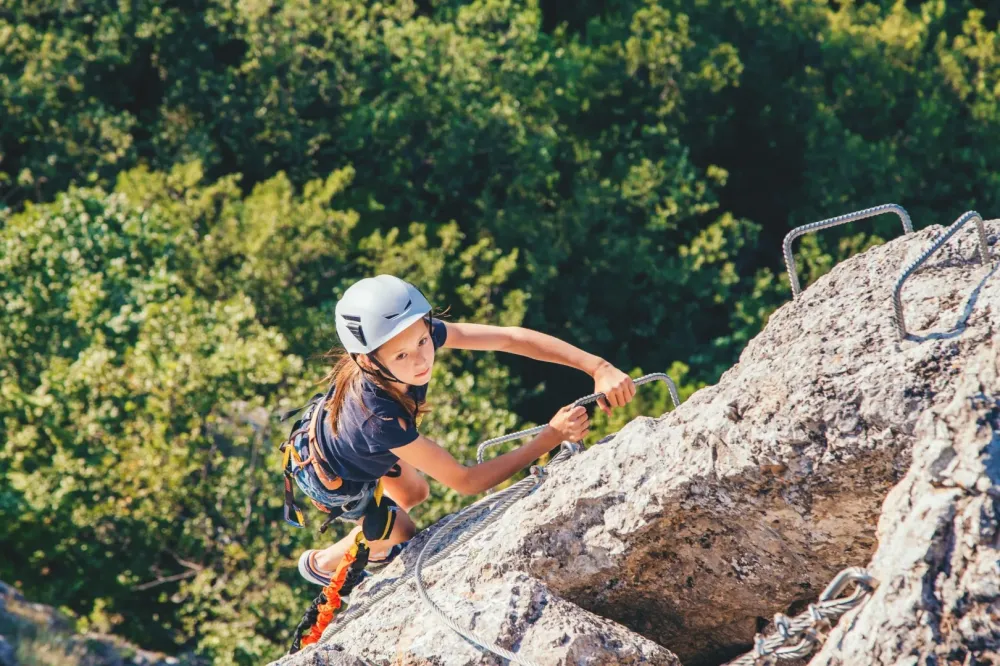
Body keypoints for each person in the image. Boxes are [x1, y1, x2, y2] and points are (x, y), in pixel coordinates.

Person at [287, 274, 636, 587]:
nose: (421, 361)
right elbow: (466, 481)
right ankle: (325, 563)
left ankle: (377, 531)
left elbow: (510, 339)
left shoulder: (403, 338)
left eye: (424, 342)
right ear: (367, 360)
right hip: (333, 476)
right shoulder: (379, 420)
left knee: (415, 494)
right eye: (402, 357)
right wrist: (550, 436)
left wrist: (597, 367)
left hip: (342, 441)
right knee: (403, 531)